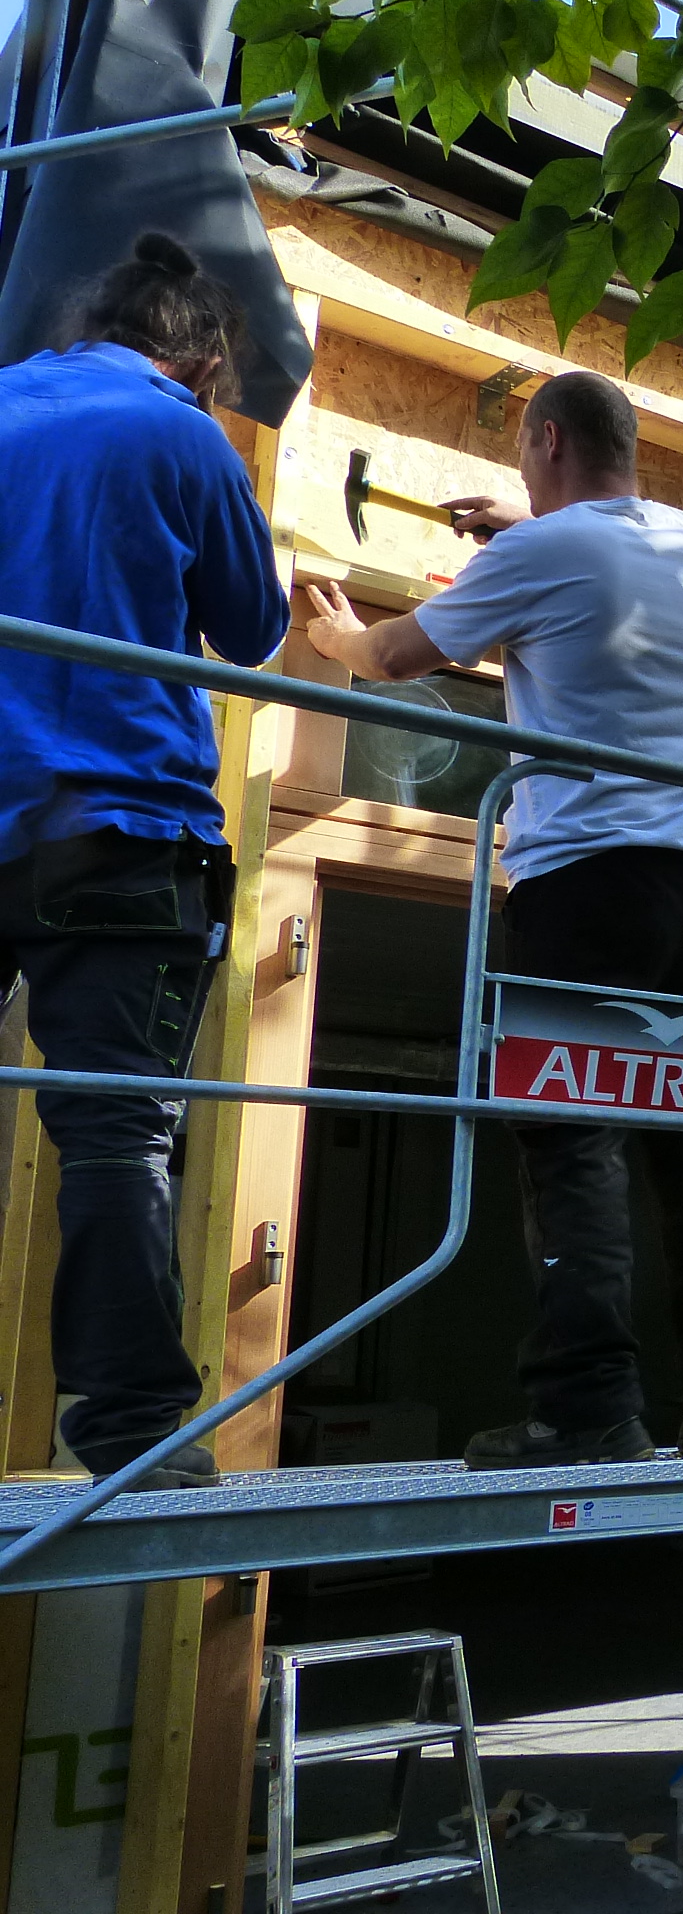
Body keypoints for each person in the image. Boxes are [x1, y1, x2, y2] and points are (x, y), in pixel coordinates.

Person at [302, 370, 683, 1469]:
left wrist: (334, 638)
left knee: (571, 1139)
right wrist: (526, 526)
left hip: (587, 885)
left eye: (523, 452)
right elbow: (595, 567)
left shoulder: (545, 552)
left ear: (547, 440)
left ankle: (589, 1407)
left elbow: (402, 656)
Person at [0, 234, 288, 1491]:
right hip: (120, 825)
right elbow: (254, 628)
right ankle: (127, 1433)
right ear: (205, 361)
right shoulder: (182, 434)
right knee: (118, 1130)